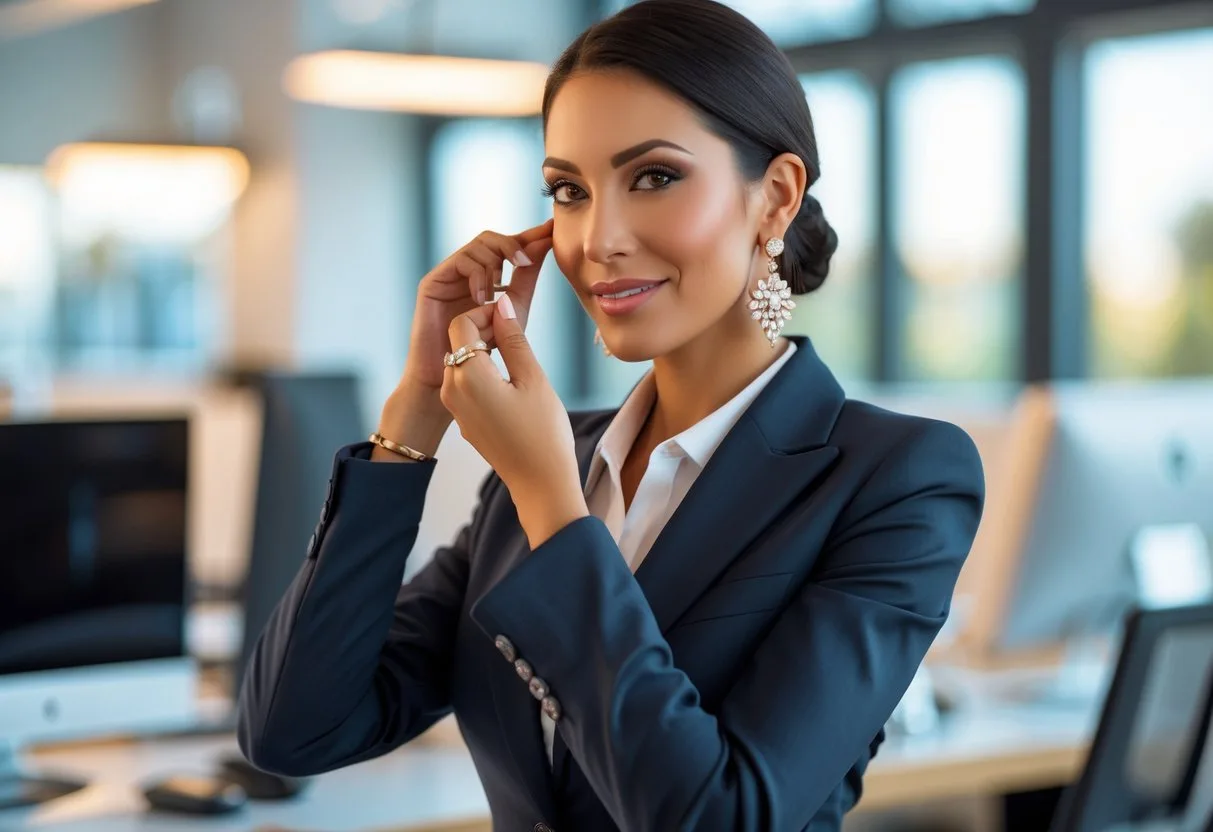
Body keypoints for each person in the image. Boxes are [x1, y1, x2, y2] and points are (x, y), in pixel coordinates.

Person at [236, 1, 985, 829]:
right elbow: (290, 731)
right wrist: (415, 412)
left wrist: (556, 511)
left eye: (653, 177)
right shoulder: (547, 465)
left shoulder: (896, 478)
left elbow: (719, 816)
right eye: (568, 190)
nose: (597, 238)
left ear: (774, 197)